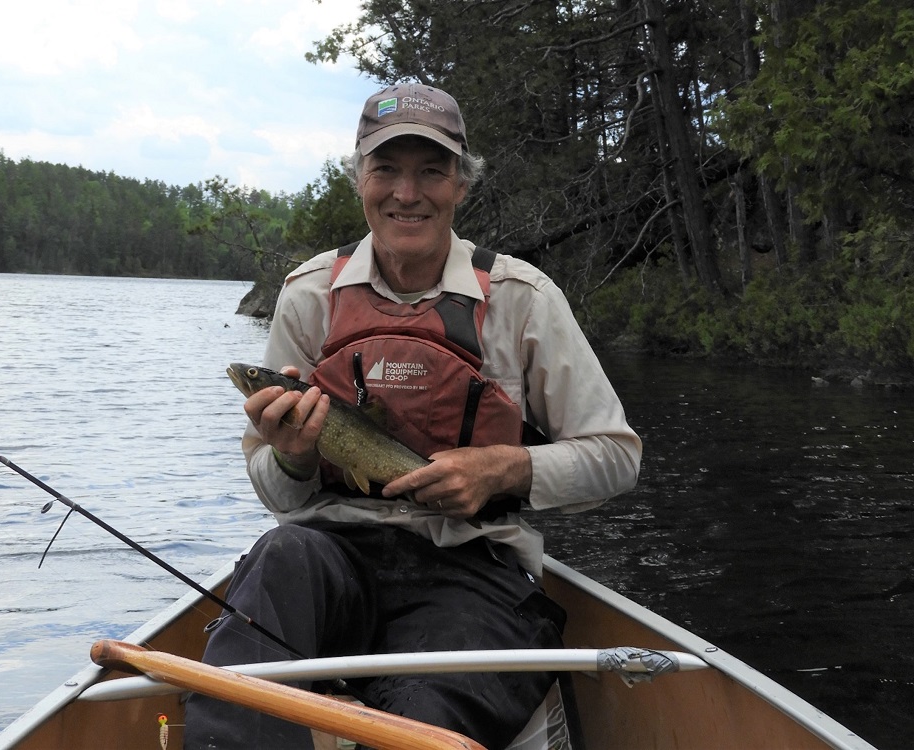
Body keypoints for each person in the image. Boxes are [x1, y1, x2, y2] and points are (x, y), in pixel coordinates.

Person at [183, 82, 642, 749]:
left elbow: (618, 457)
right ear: (359, 179)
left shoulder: (521, 298)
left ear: (461, 184)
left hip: (469, 568)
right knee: (280, 558)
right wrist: (293, 455)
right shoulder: (310, 295)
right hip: (329, 556)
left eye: (432, 170)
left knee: (420, 725)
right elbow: (280, 496)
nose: (407, 193)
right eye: (386, 170)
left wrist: (505, 469)